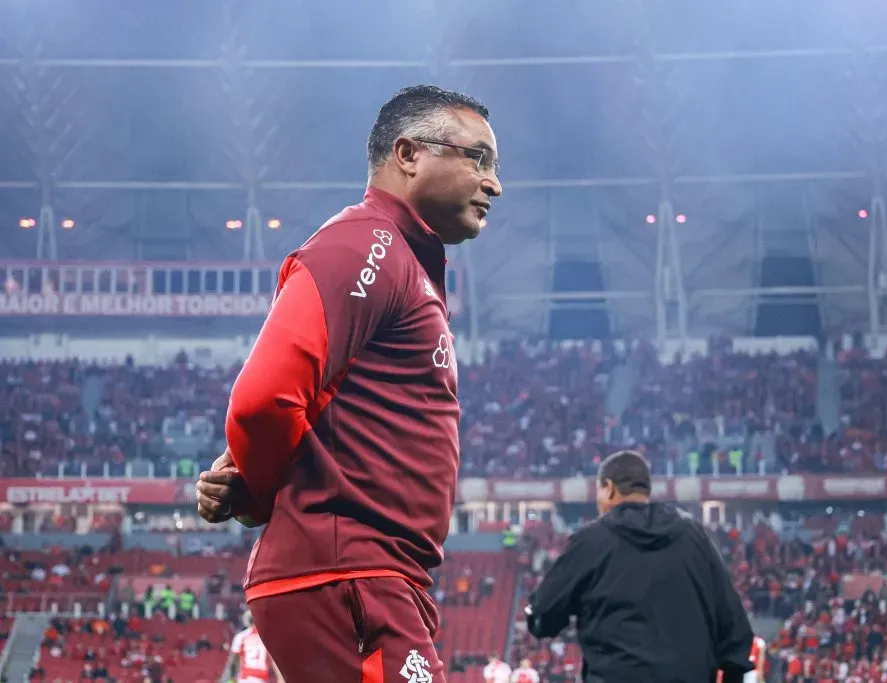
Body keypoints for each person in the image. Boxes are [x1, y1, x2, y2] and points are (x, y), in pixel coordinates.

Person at [195, 84, 502, 683]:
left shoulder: (400, 259)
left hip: (365, 574)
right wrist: (257, 493)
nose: (494, 184)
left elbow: (316, 402)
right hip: (349, 575)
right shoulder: (365, 244)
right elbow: (263, 400)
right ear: (409, 154)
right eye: (478, 158)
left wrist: (252, 476)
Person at [525, 450, 753, 683]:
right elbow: (734, 626)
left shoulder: (590, 541)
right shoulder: (694, 536)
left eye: (599, 492)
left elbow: (543, 616)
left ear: (609, 487)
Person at [228, 612, 284, 683]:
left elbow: (233, 661)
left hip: (246, 679)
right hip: (263, 680)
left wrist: (232, 678)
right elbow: (275, 661)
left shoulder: (241, 637)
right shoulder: (269, 637)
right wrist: (280, 679)